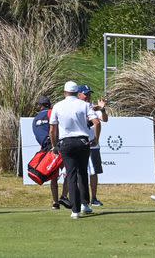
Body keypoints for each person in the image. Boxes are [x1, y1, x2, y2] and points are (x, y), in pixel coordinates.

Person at [49, 81, 94, 219]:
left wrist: (55, 145)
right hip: (82, 141)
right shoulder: (85, 104)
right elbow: (97, 122)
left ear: (64, 92)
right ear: (76, 92)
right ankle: (85, 204)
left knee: (71, 175)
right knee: (82, 173)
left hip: (66, 142)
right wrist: (96, 138)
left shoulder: (57, 106)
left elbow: (52, 130)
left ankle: (75, 211)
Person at [77, 85, 108, 207]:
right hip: (80, 144)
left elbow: (104, 119)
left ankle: (93, 198)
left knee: (94, 172)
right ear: (79, 94)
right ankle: (81, 198)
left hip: (93, 146)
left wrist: (102, 109)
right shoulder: (78, 107)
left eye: (89, 94)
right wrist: (96, 107)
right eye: (86, 94)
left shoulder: (91, 108)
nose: (88, 96)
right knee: (80, 172)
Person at [32, 95, 61, 210]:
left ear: (39, 106)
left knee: (54, 175)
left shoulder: (35, 119)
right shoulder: (51, 113)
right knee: (69, 171)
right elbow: (55, 128)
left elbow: (37, 135)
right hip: (57, 144)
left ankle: (55, 202)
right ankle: (65, 197)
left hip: (45, 148)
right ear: (50, 105)